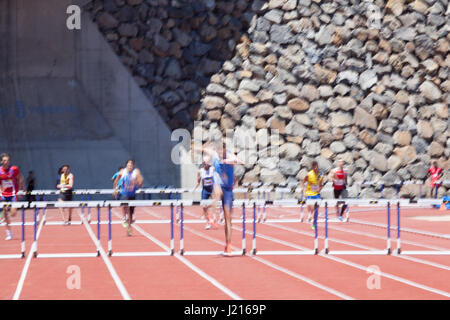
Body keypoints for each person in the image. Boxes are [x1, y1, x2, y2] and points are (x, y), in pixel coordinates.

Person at [192, 139, 243, 255]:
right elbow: (202, 149)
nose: (219, 153)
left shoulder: (229, 154)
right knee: (217, 191)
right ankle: (213, 218)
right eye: (218, 151)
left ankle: (228, 244)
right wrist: (193, 146)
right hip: (218, 185)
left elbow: (241, 162)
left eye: (221, 151)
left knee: (228, 220)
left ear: (224, 150)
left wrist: (228, 161)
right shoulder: (214, 154)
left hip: (228, 189)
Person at [114, 160, 144, 236]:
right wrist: (116, 189)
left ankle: (129, 227)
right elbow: (116, 180)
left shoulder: (135, 173)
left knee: (131, 213)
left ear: (133, 166)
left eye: (131, 166)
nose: (129, 167)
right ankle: (124, 218)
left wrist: (139, 176)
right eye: (128, 165)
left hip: (132, 194)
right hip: (124, 193)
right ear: (126, 166)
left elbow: (140, 182)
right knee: (124, 206)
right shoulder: (123, 172)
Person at [0, 153, 24, 240]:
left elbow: (20, 178)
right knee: (5, 212)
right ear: (1, 161)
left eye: (8, 160)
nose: (7, 162)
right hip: (3, 195)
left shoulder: (14, 169)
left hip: (13, 194)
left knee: (13, 214)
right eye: (5, 160)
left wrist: (21, 189)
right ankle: (9, 233)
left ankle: (5, 213)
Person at [193, 156, 217, 230]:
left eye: (206, 163)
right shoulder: (200, 171)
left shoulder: (212, 169)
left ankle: (213, 217)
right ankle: (208, 222)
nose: (205, 164)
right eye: (204, 163)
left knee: (214, 204)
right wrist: (193, 189)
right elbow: (198, 182)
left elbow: (218, 177)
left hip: (212, 189)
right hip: (205, 190)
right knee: (204, 206)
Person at [302, 161, 324, 229]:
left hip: (317, 194)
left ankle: (314, 223)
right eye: (314, 166)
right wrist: (304, 191)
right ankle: (310, 214)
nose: (316, 168)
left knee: (316, 209)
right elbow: (303, 182)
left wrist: (320, 189)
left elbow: (320, 185)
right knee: (312, 208)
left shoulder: (321, 175)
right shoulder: (309, 174)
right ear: (312, 167)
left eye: (316, 166)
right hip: (309, 193)